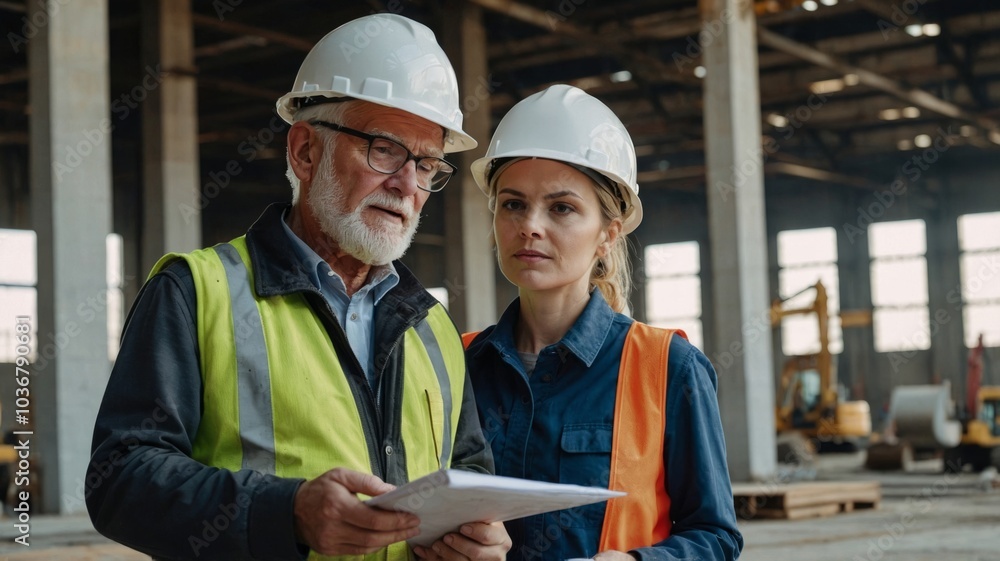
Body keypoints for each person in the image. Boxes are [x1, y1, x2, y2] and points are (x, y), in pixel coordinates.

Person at [87, 14, 510, 561]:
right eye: (384, 149)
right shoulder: (196, 292)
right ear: (305, 152)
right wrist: (284, 515)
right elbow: (120, 478)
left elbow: (470, 473)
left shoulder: (432, 326)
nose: (408, 184)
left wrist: (477, 538)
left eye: (427, 164)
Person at [463, 84, 744, 561]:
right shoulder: (460, 362)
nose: (530, 224)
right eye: (512, 203)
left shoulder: (669, 369)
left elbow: (716, 537)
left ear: (607, 234)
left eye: (561, 208)